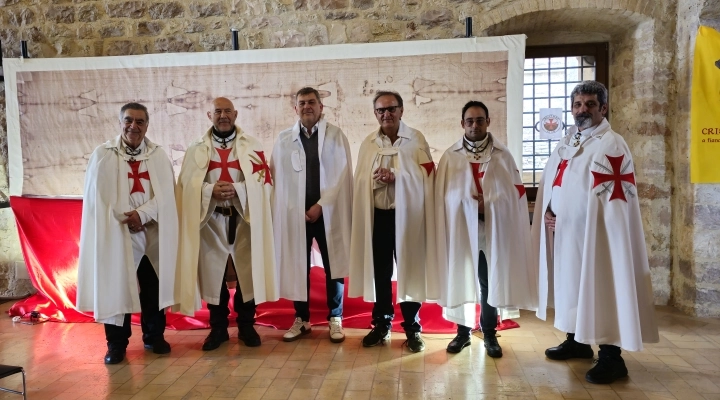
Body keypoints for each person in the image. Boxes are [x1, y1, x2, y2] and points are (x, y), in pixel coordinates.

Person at [532, 81, 659, 384]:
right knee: (573, 285)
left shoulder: (610, 143)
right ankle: (577, 341)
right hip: (568, 233)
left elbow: (613, 198)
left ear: (603, 108)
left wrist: (589, 227)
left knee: (602, 286)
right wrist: (551, 210)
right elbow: (557, 183)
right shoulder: (570, 140)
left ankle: (612, 357)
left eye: (590, 104)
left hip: (598, 238)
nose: (582, 110)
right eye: (577, 104)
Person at [433, 101, 538, 358]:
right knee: (461, 275)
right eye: (469, 121)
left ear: (488, 122)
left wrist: (488, 203)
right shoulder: (451, 156)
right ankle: (462, 332)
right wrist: (466, 204)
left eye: (480, 120)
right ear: (462, 124)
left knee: (489, 280)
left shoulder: (503, 155)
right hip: (460, 229)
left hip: (492, 228)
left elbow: (513, 196)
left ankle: (489, 331)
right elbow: (443, 197)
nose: (474, 125)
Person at [77, 102, 178, 364]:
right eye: (129, 121)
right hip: (118, 232)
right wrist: (128, 217)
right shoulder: (103, 155)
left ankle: (154, 336)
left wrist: (142, 215)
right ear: (120, 122)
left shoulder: (157, 155)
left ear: (147, 125)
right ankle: (117, 344)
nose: (134, 126)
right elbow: (100, 199)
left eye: (140, 121)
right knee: (116, 287)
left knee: (153, 287)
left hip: (151, 232)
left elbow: (168, 195)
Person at [175, 97, 278, 351]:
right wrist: (209, 191)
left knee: (247, 274)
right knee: (214, 275)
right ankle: (218, 329)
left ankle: (246, 326)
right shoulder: (197, 148)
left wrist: (237, 190)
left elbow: (264, 183)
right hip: (210, 221)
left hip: (244, 220)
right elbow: (186, 187)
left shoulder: (251, 146)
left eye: (227, 111)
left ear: (236, 114)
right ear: (210, 115)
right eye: (218, 111)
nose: (223, 116)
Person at [349, 90, 436, 353]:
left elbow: (428, 175)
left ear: (401, 110)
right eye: (380, 110)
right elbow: (360, 179)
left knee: (409, 269)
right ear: (375, 113)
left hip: (407, 216)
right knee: (381, 273)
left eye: (391, 108)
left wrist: (397, 175)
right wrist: (373, 179)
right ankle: (382, 323)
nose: (386, 114)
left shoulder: (415, 139)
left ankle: (412, 327)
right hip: (379, 217)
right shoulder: (369, 143)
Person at [271, 87, 353, 343]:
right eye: (302, 103)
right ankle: (302, 318)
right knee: (298, 264)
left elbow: (341, 175)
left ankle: (335, 317)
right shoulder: (284, 139)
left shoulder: (335, 136)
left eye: (312, 103)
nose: (307, 107)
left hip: (327, 212)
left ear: (321, 107)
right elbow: (278, 178)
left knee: (334, 266)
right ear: (295, 108)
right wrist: (296, 209)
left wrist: (321, 205)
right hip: (297, 214)